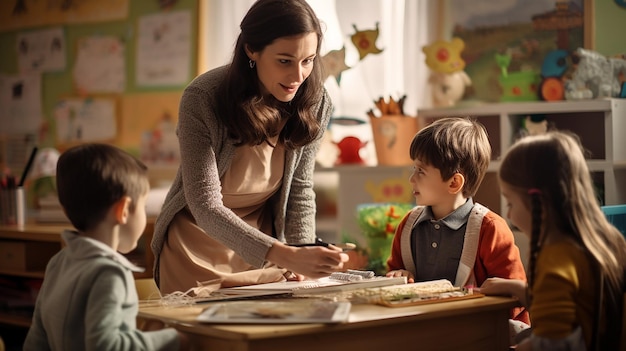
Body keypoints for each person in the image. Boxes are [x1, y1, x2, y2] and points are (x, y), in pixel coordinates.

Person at [151, 0, 348, 294]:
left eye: (308, 60)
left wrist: (302, 256)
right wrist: (284, 253)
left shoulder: (315, 102)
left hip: (264, 247)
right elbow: (204, 205)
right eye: (284, 60)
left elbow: (299, 191)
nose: (298, 76)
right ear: (251, 50)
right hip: (195, 246)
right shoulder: (203, 97)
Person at [23, 143, 188, 351]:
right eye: (143, 207)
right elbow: (106, 346)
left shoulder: (58, 262)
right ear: (124, 210)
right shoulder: (110, 274)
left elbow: (36, 339)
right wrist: (171, 339)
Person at [479, 131, 626, 350]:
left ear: (541, 205)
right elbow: (580, 306)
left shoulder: (556, 262)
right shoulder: (610, 240)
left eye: (510, 204)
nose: (508, 215)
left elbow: (551, 344)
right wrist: (520, 290)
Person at [385, 117, 530, 326]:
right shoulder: (409, 225)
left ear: (454, 182)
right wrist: (398, 276)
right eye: (413, 169)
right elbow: (393, 273)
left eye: (421, 171)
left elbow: (515, 301)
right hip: (422, 330)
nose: (411, 179)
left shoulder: (490, 228)